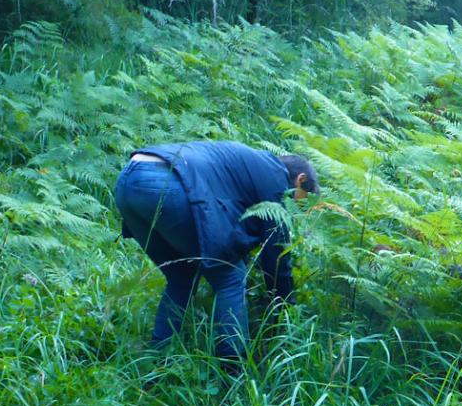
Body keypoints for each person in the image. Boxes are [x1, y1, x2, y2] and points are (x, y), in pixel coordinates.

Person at [113, 141, 317, 366]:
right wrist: (284, 306)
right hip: (164, 182)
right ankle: (233, 370)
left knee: (182, 276)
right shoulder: (276, 177)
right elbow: (276, 255)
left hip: (128, 181)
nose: (298, 209)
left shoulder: (250, 165)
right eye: (302, 201)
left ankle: (157, 362)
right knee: (230, 276)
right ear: (301, 180)